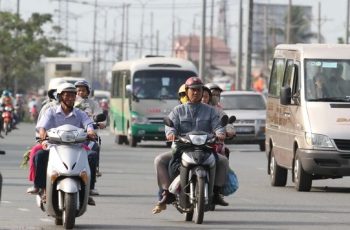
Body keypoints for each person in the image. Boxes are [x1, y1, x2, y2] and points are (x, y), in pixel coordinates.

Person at [152, 76, 229, 214]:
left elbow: (218, 126)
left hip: (206, 148)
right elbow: (171, 126)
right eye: (192, 90)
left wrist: (220, 133)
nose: (196, 93)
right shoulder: (177, 111)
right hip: (183, 148)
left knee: (223, 161)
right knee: (159, 160)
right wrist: (170, 133)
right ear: (187, 91)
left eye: (198, 90)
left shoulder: (211, 111)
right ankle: (166, 193)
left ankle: (216, 193)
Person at [31, 83, 98, 206]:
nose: (70, 98)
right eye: (67, 95)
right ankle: (40, 188)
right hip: (54, 146)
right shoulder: (51, 112)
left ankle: (89, 190)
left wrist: (90, 131)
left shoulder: (80, 113)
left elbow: (88, 124)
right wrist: (42, 134)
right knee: (39, 156)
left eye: (73, 95)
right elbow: (41, 126)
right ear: (60, 97)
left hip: (77, 146)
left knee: (92, 156)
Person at [74, 80, 105, 193]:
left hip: (88, 136)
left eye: (83, 90)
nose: (80, 93)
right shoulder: (70, 103)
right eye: (78, 91)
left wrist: (100, 123)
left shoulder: (93, 104)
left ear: (88, 92)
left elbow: (100, 118)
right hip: (70, 136)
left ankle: (91, 186)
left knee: (93, 151)